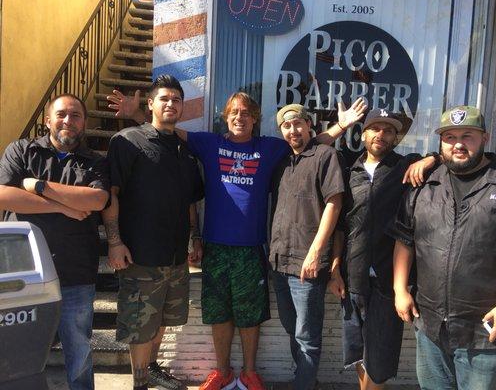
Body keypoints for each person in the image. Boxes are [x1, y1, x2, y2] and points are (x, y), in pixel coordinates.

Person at [107, 89, 366, 390]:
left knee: (249, 315)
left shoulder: (269, 148)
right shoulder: (209, 143)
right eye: (234, 113)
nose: (239, 118)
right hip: (215, 248)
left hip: (251, 249)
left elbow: (308, 144)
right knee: (219, 313)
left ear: (255, 119)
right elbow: (165, 129)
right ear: (225, 118)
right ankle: (222, 371)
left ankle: (250, 372)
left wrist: (341, 126)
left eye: (246, 113)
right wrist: (137, 114)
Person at [390, 106, 496, 390]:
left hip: (486, 334)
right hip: (430, 327)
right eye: (449, 136)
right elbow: (404, 239)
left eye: (467, 136)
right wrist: (399, 290)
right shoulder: (424, 184)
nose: (458, 143)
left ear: (485, 138)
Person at [0, 94, 110, 390]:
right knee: (18, 347)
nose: (68, 121)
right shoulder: (22, 150)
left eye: (76, 115)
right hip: (24, 275)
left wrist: (38, 187)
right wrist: (63, 206)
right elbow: (4, 195)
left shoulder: (95, 161)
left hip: (76, 271)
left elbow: (98, 199)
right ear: (48, 119)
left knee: (79, 348)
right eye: (61, 114)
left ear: (84, 123)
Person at [102, 75, 204, 390]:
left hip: (175, 258)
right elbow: (111, 194)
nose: (171, 104)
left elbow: (189, 202)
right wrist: (115, 242)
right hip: (141, 254)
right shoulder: (128, 140)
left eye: (176, 99)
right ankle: (140, 382)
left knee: (162, 320)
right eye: (164, 98)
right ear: (151, 104)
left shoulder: (185, 151)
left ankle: (154, 368)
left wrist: (195, 237)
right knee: (140, 324)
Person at [327, 108, 437, 390]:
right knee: (359, 353)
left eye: (388, 130)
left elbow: (453, 157)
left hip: (389, 281)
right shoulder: (349, 171)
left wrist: (430, 159)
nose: (381, 134)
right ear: (363, 134)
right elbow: (341, 227)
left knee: (380, 359)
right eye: (375, 128)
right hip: (354, 277)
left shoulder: (405, 166)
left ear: (396, 137)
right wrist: (335, 269)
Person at [269, 104, 345, 389]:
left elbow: (334, 203)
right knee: (292, 330)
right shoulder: (282, 162)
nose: (292, 131)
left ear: (309, 125)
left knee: (307, 337)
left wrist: (315, 252)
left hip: (306, 265)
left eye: (298, 124)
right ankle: (305, 381)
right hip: (279, 261)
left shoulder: (326, 155)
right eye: (286, 127)